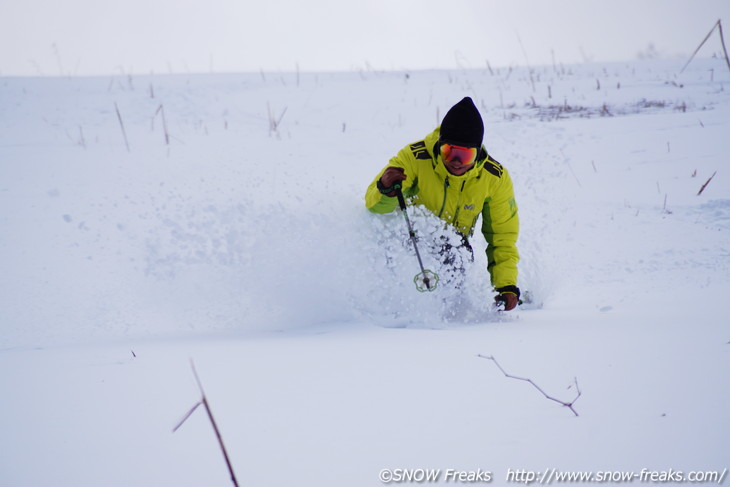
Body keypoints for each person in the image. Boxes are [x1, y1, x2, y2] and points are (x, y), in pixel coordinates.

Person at [364, 97, 521, 311]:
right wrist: (385, 189)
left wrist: (506, 285)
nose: (456, 161)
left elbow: (502, 238)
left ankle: (448, 312)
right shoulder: (414, 157)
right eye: (449, 151)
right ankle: (391, 308)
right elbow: (374, 207)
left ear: (478, 153)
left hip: (455, 250)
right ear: (439, 146)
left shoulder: (494, 178)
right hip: (408, 241)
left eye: (465, 155)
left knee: (455, 251)